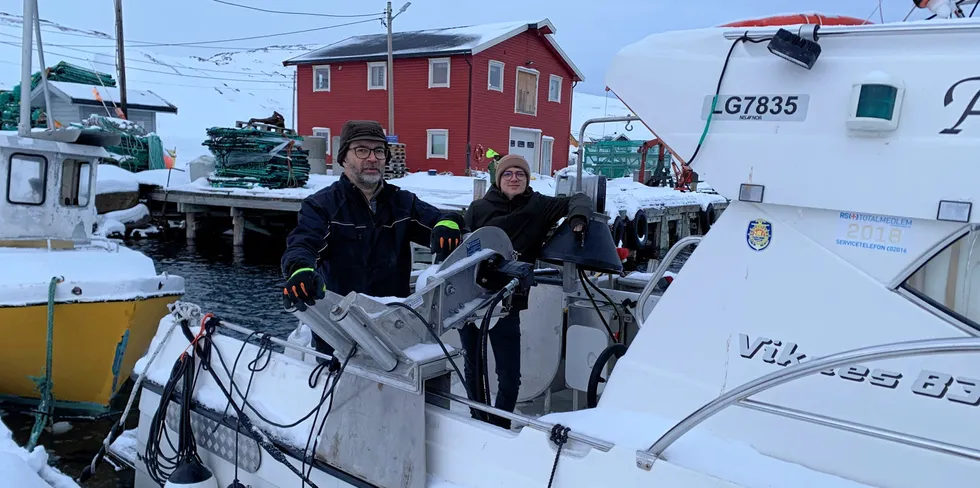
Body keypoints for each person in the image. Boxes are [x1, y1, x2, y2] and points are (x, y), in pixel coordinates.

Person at [280, 120, 465, 357]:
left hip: (393, 324)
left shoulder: (402, 203)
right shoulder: (322, 206)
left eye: (379, 151)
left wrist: (448, 224)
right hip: (340, 329)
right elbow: (303, 243)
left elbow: (441, 219)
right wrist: (299, 271)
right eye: (362, 150)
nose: (372, 158)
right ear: (344, 158)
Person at [461, 154, 592, 429]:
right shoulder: (478, 208)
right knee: (474, 365)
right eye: (508, 174)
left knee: (509, 374)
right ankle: (477, 419)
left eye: (520, 174)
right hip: (472, 298)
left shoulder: (538, 205)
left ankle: (499, 424)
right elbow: (461, 240)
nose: (514, 178)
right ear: (498, 179)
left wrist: (578, 218)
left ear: (527, 178)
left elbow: (577, 199)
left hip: (509, 301)